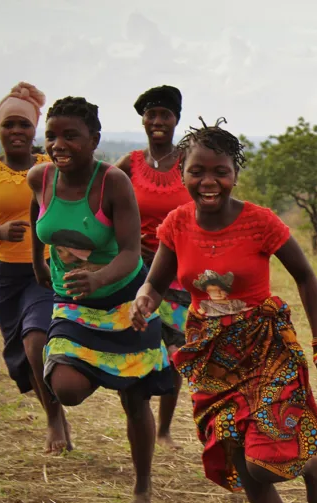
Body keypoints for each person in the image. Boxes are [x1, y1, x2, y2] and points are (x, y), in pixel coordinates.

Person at [130, 117, 317, 503]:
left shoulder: (259, 221)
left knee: (265, 465)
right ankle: (305, 457)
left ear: (234, 175)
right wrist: (144, 298)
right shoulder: (177, 224)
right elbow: (156, 283)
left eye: (220, 172)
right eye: (197, 171)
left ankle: (309, 459)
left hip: (266, 347)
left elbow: (306, 277)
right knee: (246, 466)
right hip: (212, 357)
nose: (208, 181)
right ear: (183, 173)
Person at [29, 96, 174, 503]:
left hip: (126, 300)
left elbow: (131, 253)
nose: (59, 143)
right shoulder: (39, 178)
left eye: (70, 136)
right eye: (52, 135)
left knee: (135, 399)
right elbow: (37, 221)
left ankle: (142, 489)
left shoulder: (113, 183)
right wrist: (40, 266)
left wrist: (97, 278)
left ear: (94, 139)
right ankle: (103, 371)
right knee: (67, 388)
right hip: (72, 304)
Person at [0, 82, 69, 454]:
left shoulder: (48, 167)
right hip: (5, 278)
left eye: (24, 124)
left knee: (36, 342)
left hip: (44, 272)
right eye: (9, 125)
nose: (16, 132)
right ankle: (52, 410)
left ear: (35, 128)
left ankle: (54, 421)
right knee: (21, 357)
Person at [115, 85, 192, 450]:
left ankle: (163, 429)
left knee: (174, 349)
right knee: (136, 341)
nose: (158, 121)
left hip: (178, 266)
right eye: (151, 115)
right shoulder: (130, 164)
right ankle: (138, 418)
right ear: (143, 121)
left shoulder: (190, 161)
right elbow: (101, 194)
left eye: (165, 115)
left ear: (176, 119)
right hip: (134, 267)